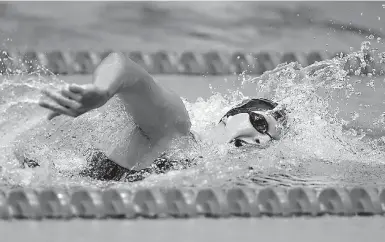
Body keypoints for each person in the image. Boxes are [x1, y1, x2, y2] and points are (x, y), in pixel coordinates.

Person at [24, 52, 288, 182]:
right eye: (260, 123)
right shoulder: (176, 127)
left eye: (270, 140)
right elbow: (124, 66)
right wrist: (103, 91)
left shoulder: (197, 163)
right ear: (230, 115)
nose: (261, 141)